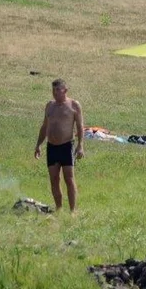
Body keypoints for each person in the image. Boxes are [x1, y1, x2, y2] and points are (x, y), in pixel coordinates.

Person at [34, 79, 84, 213]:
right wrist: (39, 144)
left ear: (65, 90)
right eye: (53, 90)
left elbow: (80, 127)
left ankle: (73, 210)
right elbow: (44, 126)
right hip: (52, 147)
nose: (55, 93)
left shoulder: (74, 105)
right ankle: (59, 209)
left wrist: (80, 146)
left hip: (66, 146)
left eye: (58, 90)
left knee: (69, 178)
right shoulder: (49, 106)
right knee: (54, 179)